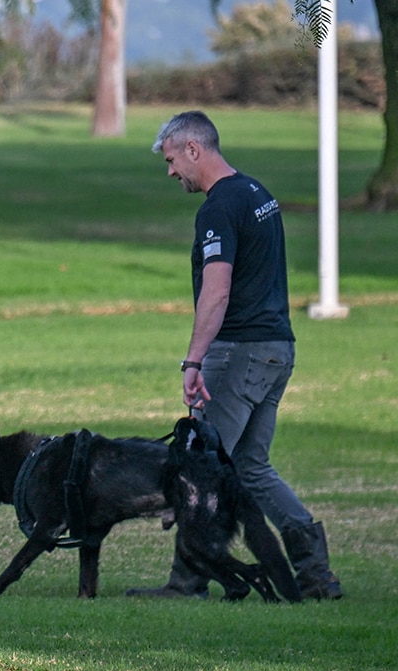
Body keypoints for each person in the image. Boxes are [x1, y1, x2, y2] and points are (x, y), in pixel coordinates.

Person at [127, 111, 342, 601]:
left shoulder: (219, 208)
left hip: (240, 353)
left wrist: (194, 361)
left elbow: (217, 292)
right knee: (250, 466)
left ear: (193, 150)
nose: (170, 172)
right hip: (276, 350)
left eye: (171, 160)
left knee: (198, 466)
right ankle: (315, 573)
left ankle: (187, 582)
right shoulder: (257, 194)